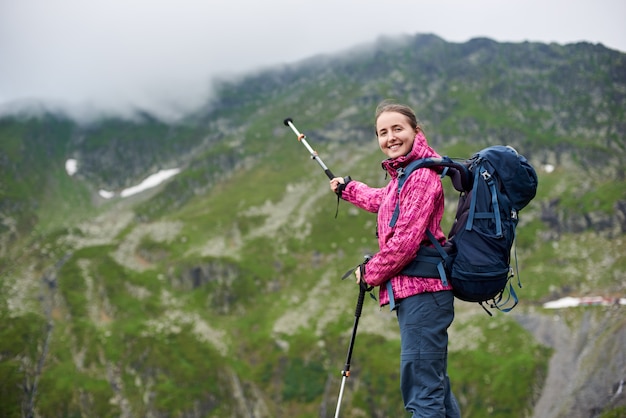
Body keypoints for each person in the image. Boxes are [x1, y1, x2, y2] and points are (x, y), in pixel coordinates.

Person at [330, 101, 461, 417]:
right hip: (420, 295)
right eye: (382, 132)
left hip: (423, 295)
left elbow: (404, 243)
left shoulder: (421, 177)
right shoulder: (405, 176)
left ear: (417, 132)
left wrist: (369, 272)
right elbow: (383, 199)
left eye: (397, 129)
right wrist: (348, 189)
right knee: (434, 389)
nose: (390, 137)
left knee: (422, 395)